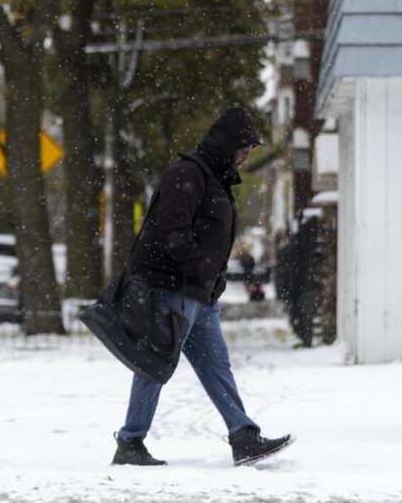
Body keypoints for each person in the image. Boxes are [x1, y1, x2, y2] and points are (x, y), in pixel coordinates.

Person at [112, 106, 293, 467]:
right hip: (174, 289)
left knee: (215, 366)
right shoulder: (186, 175)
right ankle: (130, 443)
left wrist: (213, 280)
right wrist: (198, 271)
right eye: (242, 149)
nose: (245, 157)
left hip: (200, 294)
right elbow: (174, 232)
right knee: (157, 362)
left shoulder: (214, 178)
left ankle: (243, 435)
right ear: (226, 145)